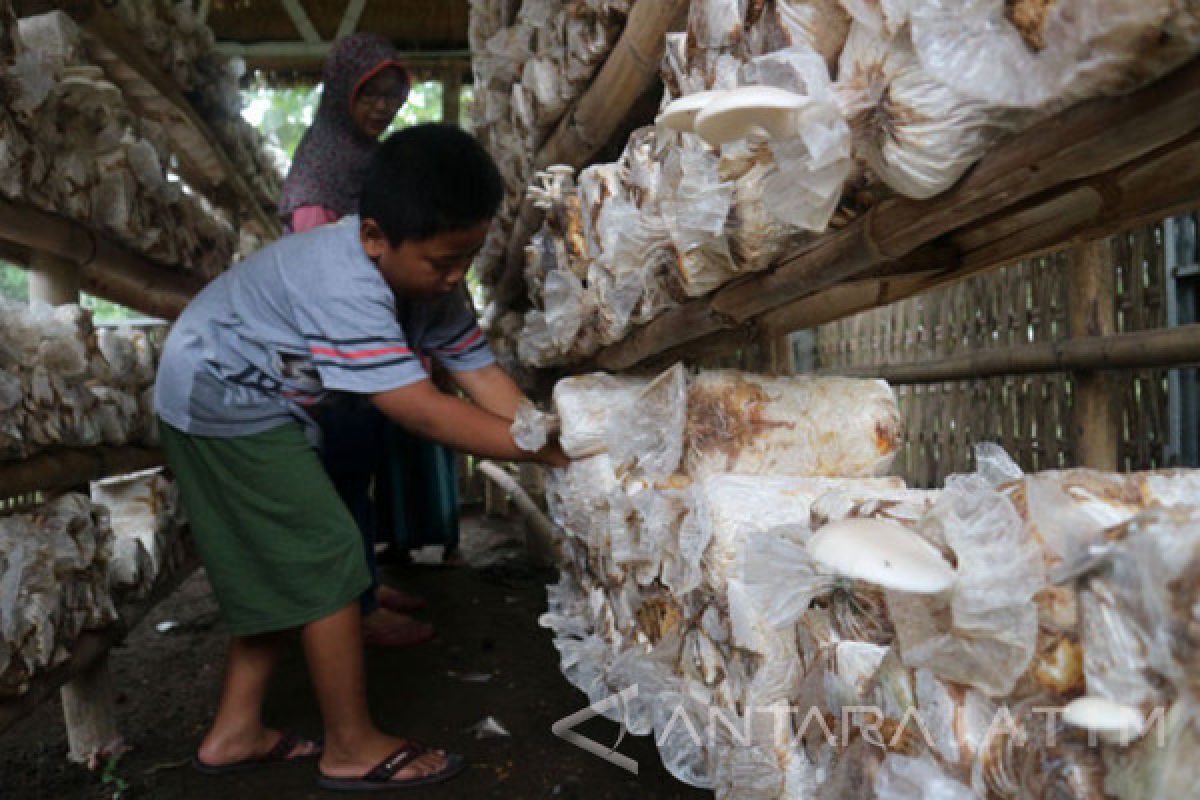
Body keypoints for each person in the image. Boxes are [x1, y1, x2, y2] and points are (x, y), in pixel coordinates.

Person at [155, 123, 568, 790]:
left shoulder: (433, 284)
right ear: (374, 236)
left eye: (467, 258)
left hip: (255, 401)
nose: (455, 277)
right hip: (222, 399)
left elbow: (480, 374)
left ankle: (236, 731)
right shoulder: (345, 278)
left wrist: (546, 431)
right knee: (328, 553)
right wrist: (550, 450)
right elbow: (418, 408)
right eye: (442, 262)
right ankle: (350, 745)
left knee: (285, 565)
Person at [278, 33, 448, 648]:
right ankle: (357, 608)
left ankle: (367, 584)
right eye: (369, 94)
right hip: (335, 352)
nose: (382, 107)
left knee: (357, 475)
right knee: (342, 473)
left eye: (392, 95)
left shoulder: (369, 161)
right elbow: (320, 273)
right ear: (340, 93)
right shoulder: (321, 171)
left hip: (368, 340)